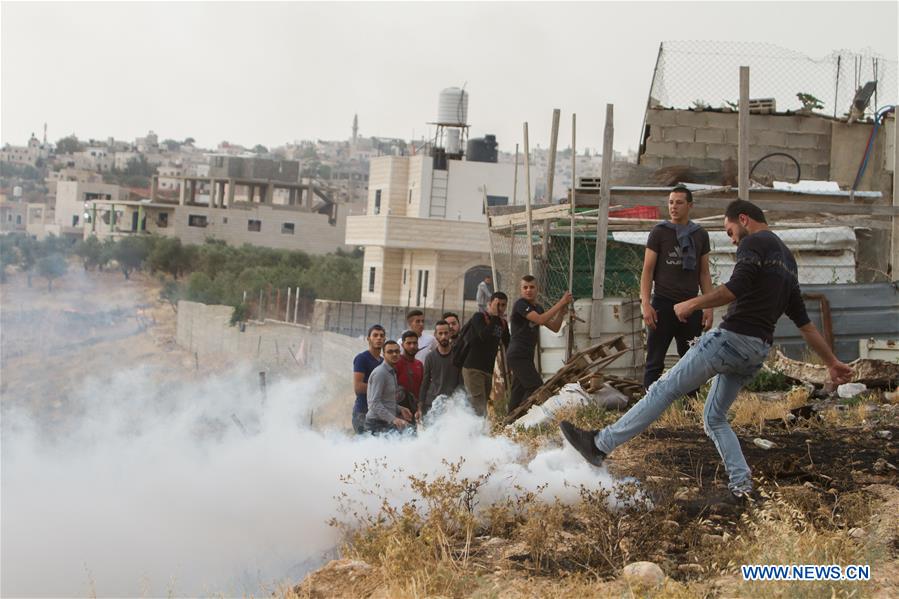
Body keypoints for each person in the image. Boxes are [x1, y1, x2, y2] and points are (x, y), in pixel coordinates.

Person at [561, 199, 853, 499]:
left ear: (743, 219)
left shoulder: (754, 244)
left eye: (729, 231)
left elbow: (733, 288)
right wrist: (832, 362)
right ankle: (742, 486)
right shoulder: (788, 261)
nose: (731, 238)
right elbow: (805, 323)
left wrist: (694, 302)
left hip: (731, 340)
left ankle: (599, 444)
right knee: (714, 418)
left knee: (663, 388)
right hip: (756, 352)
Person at [641, 185, 714, 391]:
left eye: (679, 202)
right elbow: (647, 271)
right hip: (662, 305)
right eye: (671, 202)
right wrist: (646, 304)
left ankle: (690, 411)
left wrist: (708, 306)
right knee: (654, 361)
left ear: (690, 205)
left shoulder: (700, 235)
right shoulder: (659, 232)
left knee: (691, 361)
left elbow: (704, 273)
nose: (674, 207)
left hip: (691, 305)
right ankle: (648, 407)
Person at [506, 276, 572, 414]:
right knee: (536, 387)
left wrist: (561, 312)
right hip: (518, 354)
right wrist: (561, 302)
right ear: (521, 290)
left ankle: (508, 423)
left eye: (531, 287)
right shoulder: (521, 305)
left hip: (526, 355)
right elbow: (541, 320)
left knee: (518, 390)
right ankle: (521, 416)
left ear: (537, 289)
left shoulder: (538, 308)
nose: (528, 290)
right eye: (525, 287)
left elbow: (554, 327)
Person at [461, 292, 511, 417]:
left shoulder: (502, 324)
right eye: (497, 304)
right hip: (473, 368)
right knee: (478, 405)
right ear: (490, 304)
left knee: (482, 404)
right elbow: (484, 335)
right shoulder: (479, 317)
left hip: (488, 370)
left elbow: (509, 344)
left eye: (503, 305)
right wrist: (494, 317)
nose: (500, 308)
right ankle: (477, 434)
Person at [365, 340, 415, 434]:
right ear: (383, 354)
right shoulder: (380, 373)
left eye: (397, 351)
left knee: (412, 433)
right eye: (390, 352)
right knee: (411, 434)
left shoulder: (391, 372)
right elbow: (374, 403)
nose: (394, 354)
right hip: (376, 424)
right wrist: (394, 419)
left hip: (385, 423)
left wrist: (400, 409)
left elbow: (386, 401)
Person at [418, 320, 462, 420]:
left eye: (446, 333)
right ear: (435, 335)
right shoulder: (430, 357)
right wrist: (420, 406)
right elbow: (425, 382)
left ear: (450, 333)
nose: (443, 336)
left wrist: (457, 402)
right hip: (432, 405)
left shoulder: (458, 355)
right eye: (440, 333)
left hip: (452, 405)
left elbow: (461, 383)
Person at [351, 325, 385, 434]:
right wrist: (381, 389)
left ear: (385, 339)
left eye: (381, 336)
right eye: (375, 335)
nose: (379, 338)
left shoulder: (384, 362)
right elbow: (358, 387)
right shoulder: (362, 358)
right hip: (362, 412)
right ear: (368, 338)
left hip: (379, 413)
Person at [396, 329, 423, 415]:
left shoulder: (419, 364)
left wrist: (419, 408)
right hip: (399, 410)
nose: (412, 346)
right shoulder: (396, 363)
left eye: (415, 343)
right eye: (409, 343)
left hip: (415, 411)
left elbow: (422, 388)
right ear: (402, 345)